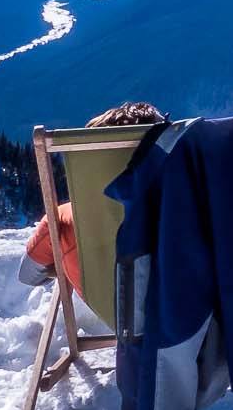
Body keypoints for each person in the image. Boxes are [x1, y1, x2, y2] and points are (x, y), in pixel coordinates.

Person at [18, 100, 168, 289]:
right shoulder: (194, 207)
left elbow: (27, 276)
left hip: (112, 309)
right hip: (194, 312)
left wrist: (65, 265)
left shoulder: (67, 219)